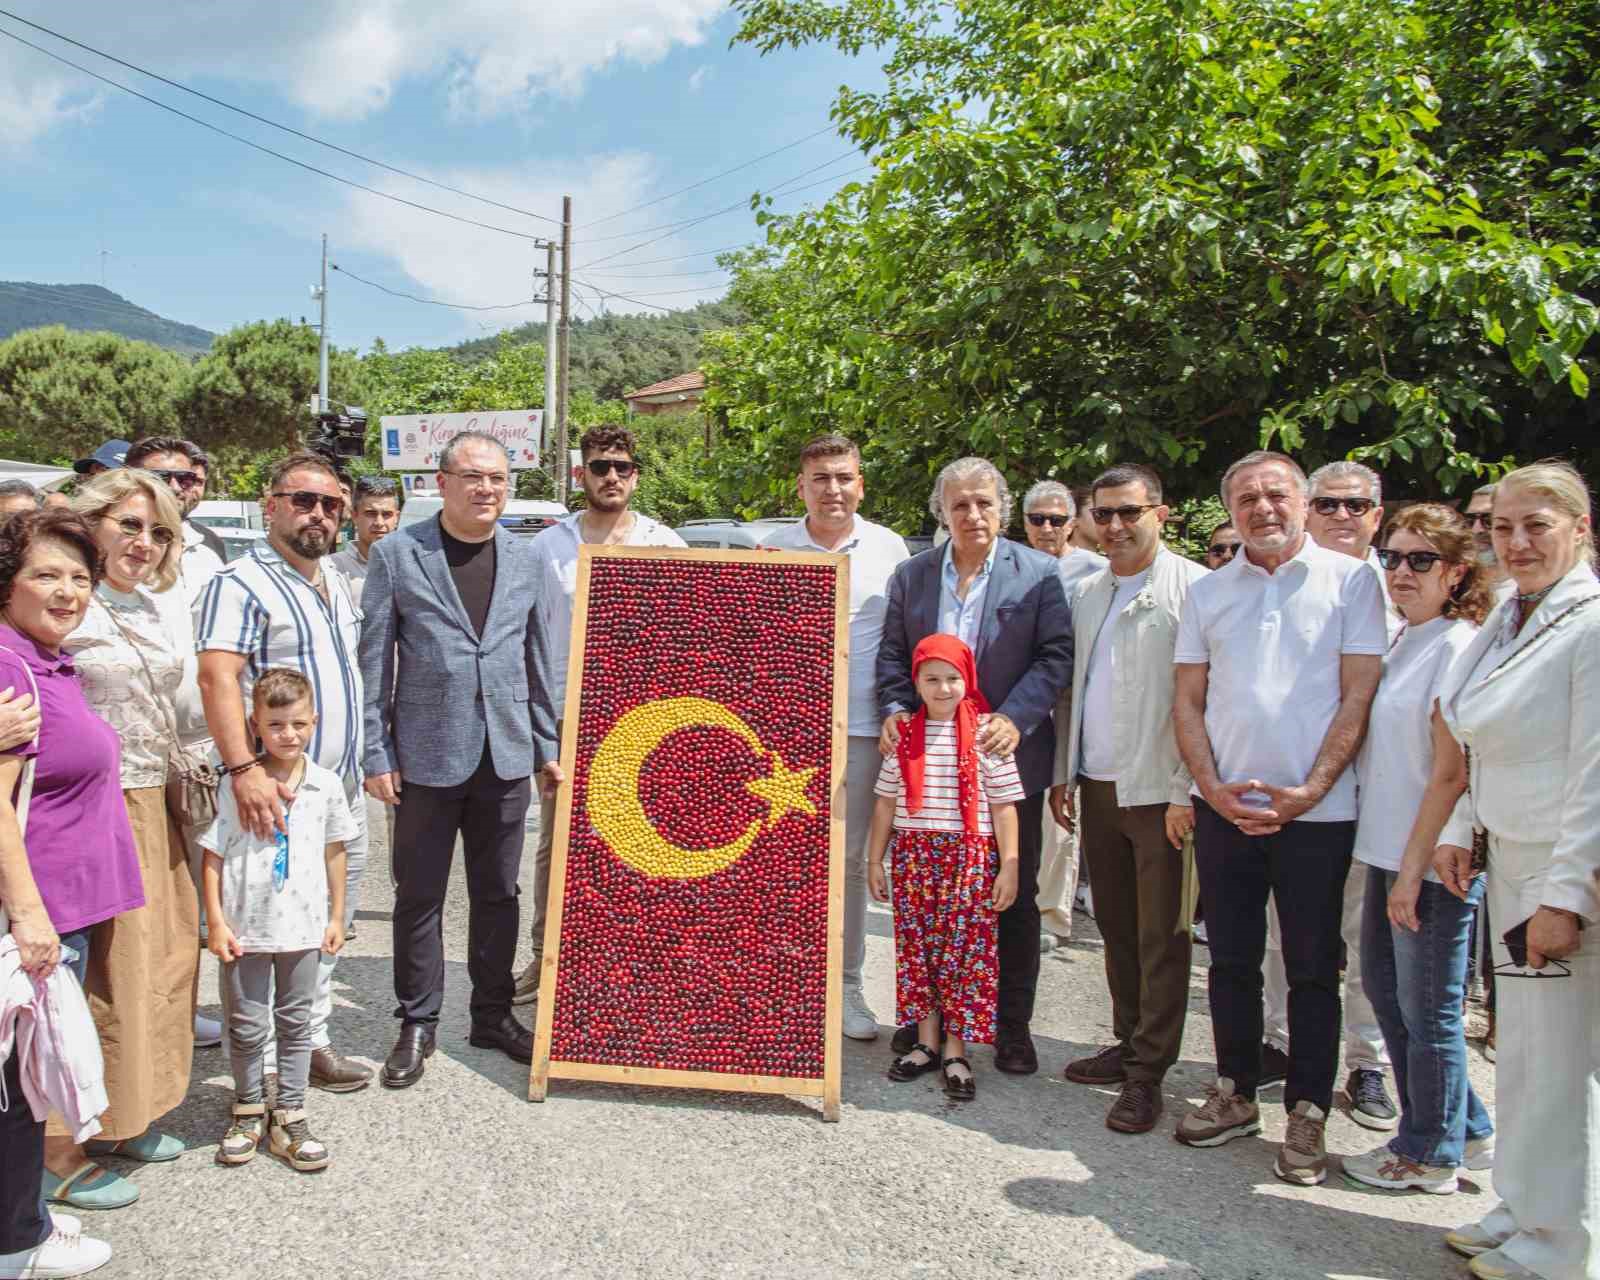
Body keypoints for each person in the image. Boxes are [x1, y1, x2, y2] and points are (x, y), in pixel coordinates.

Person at [1171, 450, 1386, 1186]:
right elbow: (1189, 701)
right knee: (1229, 960)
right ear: (1228, 510)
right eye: (1247, 498)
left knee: (1312, 967)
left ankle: (1307, 1110)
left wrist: (1312, 790)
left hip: (1318, 815)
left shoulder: (1352, 581)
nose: (1262, 508)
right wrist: (1211, 786)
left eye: (1275, 495)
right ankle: (1234, 1089)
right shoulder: (1210, 593)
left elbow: (1358, 697)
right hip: (1225, 807)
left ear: (1301, 500)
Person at [1432, 460, 1600, 1280]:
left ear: (1580, 529)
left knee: (1566, 1064)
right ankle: (1524, 1205)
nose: (1519, 542)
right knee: (1526, 1055)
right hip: (1511, 859)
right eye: (1503, 527)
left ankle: (1566, 1244)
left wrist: (1564, 898)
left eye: (1538, 525)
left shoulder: (1591, 625)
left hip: (1563, 875)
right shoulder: (1510, 613)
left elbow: (1595, 776)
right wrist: (1464, 824)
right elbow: (1476, 734)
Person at [360, 431, 561, 1088]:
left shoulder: (527, 559)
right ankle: (418, 1021)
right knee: (418, 895)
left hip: (503, 754)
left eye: (499, 479)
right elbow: (374, 661)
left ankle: (492, 1013)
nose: (487, 490)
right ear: (440, 483)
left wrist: (546, 746)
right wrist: (376, 749)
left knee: (498, 894)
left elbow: (537, 659)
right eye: (474, 477)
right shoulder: (397, 554)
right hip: (424, 755)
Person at [877, 456, 1073, 1074]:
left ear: (1002, 508)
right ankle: (924, 1021)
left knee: (1008, 894)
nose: (973, 515)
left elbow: (1054, 656)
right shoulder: (913, 576)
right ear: (943, 512)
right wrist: (892, 708)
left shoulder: (1038, 574)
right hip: (925, 767)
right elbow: (891, 655)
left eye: (984, 503)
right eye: (959, 504)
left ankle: (1011, 1026)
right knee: (925, 902)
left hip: (1001, 756)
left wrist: (1014, 716)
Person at [196, 452, 371, 1093]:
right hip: (272, 796)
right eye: (303, 500)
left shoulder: (335, 584)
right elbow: (217, 676)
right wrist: (243, 769)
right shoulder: (240, 582)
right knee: (262, 929)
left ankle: (311, 1043)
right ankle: (263, 1065)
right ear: (270, 505)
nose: (319, 514)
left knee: (323, 922)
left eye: (330, 505)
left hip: (334, 793)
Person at [46, 471, 197, 1210]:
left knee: (154, 964)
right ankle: (57, 1151)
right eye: (130, 524)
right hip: (82, 805)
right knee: (86, 978)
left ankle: (125, 1113)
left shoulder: (146, 604)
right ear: (90, 522)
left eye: (159, 530)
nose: (144, 542)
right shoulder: (63, 600)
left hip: (151, 800)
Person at [1337, 503, 1496, 1194]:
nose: (1402, 571)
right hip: (1388, 847)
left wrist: (1410, 872)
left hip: (1431, 860)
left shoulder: (1459, 644)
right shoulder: (1409, 636)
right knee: (1389, 993)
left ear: (1458, 571)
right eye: (1393, 558)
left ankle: (1428, 1153)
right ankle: (1469, 1127)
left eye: (1421, 560)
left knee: (1427, 1008)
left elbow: (1451, 771)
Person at [1051, 464, 1207, 1134]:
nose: (1115, 527)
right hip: (1100, 783)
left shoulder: (1195, 590)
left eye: (1129, 513)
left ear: (1161, 514)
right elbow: (1075, 692)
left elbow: (1207, 702)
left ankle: (1148, 1075)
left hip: (1162, 791)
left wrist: (1187, 790)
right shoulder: (1089, 591)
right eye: (1104, 514)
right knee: (1115, 923)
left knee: (1162, 935)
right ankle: (1127, 1040)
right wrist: (1066, 773)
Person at [0, 509, 135, 1273]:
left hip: (58, 912)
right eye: (46, 575)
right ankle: (17, 1243)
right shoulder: (11, 671)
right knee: (16, 1095)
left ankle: (28, 1220)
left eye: (81, 577)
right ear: (7, 584)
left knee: (23, 1088)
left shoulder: (42, 658)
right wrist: (28, 918)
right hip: (33, 920)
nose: (68, 591)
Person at [514, 425, 685, 1008]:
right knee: (556, 840)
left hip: (645, 720)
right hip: (567, 715)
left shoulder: (668, 545)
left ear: (636, 475)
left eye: (622, 467)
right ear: (580, 474)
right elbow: (527, 638)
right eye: (599, 466)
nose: (610, 476)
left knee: (641, 840)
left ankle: (629, 956)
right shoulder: (546, 547)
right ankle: (545, 957)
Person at [1253, 459, 1393, 1130]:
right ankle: (1279, 1042)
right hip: (1299, 797)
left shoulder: (1402, 587)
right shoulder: (1286, 585)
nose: (1342, 515)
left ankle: (1368, 1065)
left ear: (1378, 515)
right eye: (1329, 503)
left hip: (1380, 798)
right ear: (1308, 508)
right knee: (1289, 935)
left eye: (1356, 505)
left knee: (1363, 939)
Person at [759, 434, 907, 1039]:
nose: (833, 489)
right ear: (801, 486)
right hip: (783, 733)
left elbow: (900, 644)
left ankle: (844, 989)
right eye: (820, 478)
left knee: (848, 864)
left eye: (844, 477)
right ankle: (775, 980)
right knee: (776, 859)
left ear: (860, 484)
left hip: (863, 730)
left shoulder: (891, 550)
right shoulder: (772, 549)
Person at [201, 669, 355, 1174]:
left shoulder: (326, 785)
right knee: (246, 1025)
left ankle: (289, 1114)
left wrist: (336, 916)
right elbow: (213, 855)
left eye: (298, 723)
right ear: (255, 726)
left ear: (314, 721)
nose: (288, 734)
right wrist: (216, 922)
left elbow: (336, 852)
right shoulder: (237, 785)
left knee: (296, 1024)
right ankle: (247, 1109)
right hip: (246, 928)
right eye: (276, 725)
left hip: (304, 929)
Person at [867, 634, 1021, 1100]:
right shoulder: (903, 735)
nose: (943, 688)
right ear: (915, 682)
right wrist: (875, 859)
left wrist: (1009, 866)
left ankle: (957, 1049)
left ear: (967, 680)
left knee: (963, 956)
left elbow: (1003, 807)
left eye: (953, 678)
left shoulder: (986, 734)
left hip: (968, 859)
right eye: (931, 679)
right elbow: (885, 803)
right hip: (916, 856)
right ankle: (926, 1042)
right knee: (920, 952)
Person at [125, 436, 227, 1047]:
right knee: (140, 907)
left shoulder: (210, 551)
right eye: (167, 477)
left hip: (197, 756)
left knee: (188, 900)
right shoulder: (109, 555)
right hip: (128, 762)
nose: (183, 487)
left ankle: (177, 1020)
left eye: (192, 478)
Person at [1019, 480, 1102, 945]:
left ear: (1072, 523)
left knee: (1061, 804)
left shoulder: (1093, 572)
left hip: (1071, 701)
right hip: (1023, 702)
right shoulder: (1014, 565)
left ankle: (1051, 914)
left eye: (1056, 519)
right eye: (1037, 519)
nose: (1046, 528)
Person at [125, 438, 227, 563]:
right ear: (129, 481)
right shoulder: (109, 545)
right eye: (160, 477)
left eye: (185, 478)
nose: (175, 488)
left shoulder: (208, 553)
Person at [329, 475, 400, 590]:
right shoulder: (331, 568)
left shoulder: (413, 568)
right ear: (355, 516)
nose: (379, 522)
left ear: (397, 518)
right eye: (371, 514)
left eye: (386, 514)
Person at [1464, 483, 1514, 601]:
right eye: (1470, 520)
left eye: (1488, 520)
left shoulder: (1529, 593)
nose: (1476, 530)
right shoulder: (1453, 589)